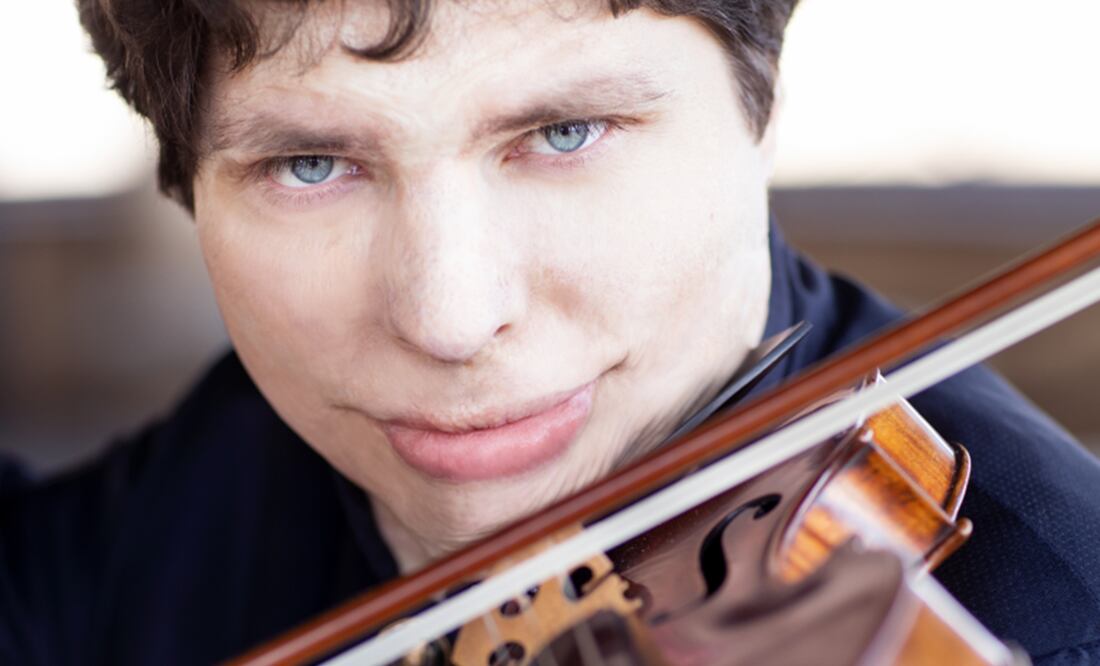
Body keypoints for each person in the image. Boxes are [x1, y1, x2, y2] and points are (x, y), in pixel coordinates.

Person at [3, 0, 1099, 663]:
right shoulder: (222, 475)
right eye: (310, 166)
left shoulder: (1045, 625)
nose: (447, 319)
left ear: (760, 111)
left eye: (564, 133)